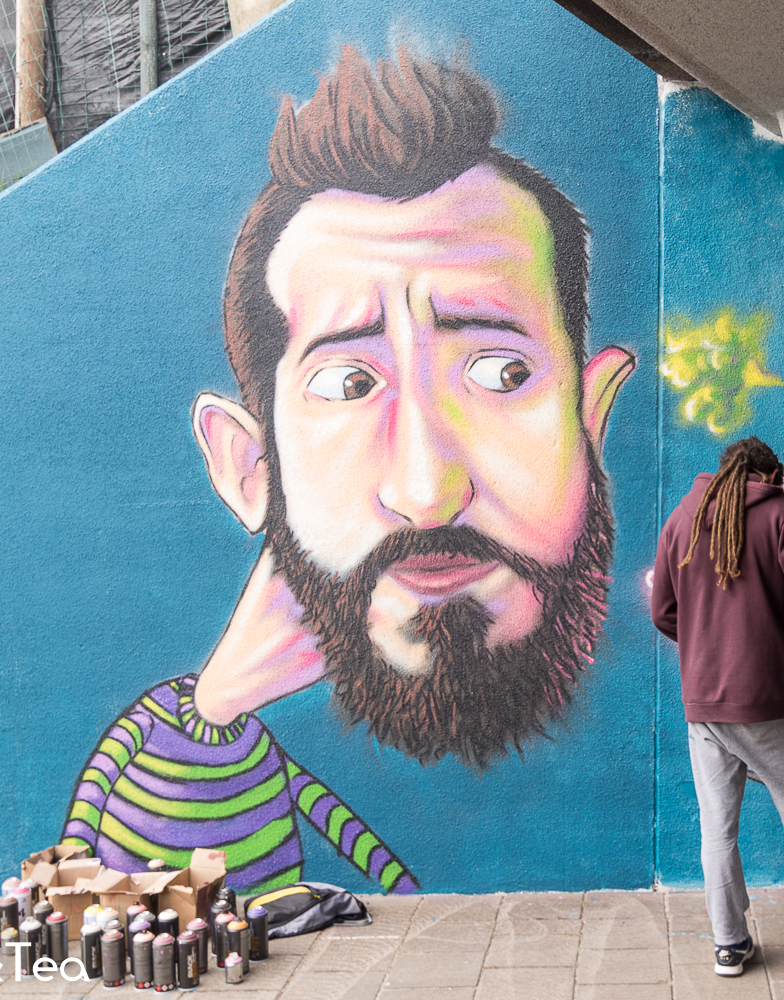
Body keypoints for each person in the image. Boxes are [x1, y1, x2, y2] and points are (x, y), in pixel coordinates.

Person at [62, 46, 636, 891]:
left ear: (591, 422)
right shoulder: (234, 723)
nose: (426, 491)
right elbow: (111, 913)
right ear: (252, 468)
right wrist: (215, 709)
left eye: (501, 372)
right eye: (347, 385)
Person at [651, 436, 784, 977]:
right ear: (769, 476)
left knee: (717, 829)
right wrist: (771, 629)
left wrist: (706, 642)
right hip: (768, 697)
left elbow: (664, 612)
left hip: (704, 702)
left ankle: (729, 946)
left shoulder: (681, 519)